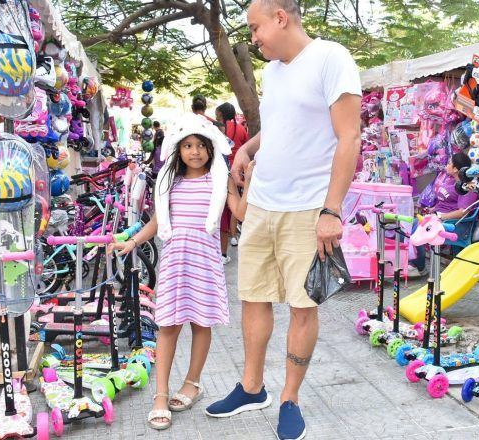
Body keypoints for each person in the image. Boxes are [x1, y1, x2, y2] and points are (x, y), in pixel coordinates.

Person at [204, 1, 361, 439]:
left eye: (255, 27)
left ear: (280, 17)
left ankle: (290, 398)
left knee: (301, 306)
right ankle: (252, 388)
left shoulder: (331, 58)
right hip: (263, 206)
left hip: (309, 209)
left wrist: (332, 210)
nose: (252, 38)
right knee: (253, 297)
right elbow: (279, 126)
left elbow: (349, 136)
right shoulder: (274, 71)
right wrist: (247, 149)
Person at [111, 113, 252, 430]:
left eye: (201, 145)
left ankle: (192, 382)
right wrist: (132, 242)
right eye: (188, 145)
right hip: (175, 263)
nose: (195, 151)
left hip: (205, 263)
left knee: (202, 324)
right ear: (177, 149)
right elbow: (157, 222)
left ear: (211, 148)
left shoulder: (220, 180)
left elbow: (240, 212)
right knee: (168, 327)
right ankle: (160, 394)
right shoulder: (167, 181)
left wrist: (251, 181)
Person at [408, 152, 478, 277]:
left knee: (418, 228)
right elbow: (445, 201)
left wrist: (440, 217)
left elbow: (463, 211)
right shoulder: (451, 181)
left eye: (449, 163)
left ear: (456, 169)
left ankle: (418, 265)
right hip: (438, 217)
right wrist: (433, 210)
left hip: (455, 224)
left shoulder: (468, 187)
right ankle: (416, 264)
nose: (447, 165)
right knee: (412, 225)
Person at [216, 102, 249, 248]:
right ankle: (233, 234)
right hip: (238, 171)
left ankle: (222, 234)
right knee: (235, 203)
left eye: (217, 114)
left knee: (222, 206)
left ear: (221, 114)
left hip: (223, 168)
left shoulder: (219, 129)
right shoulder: (241, 128)